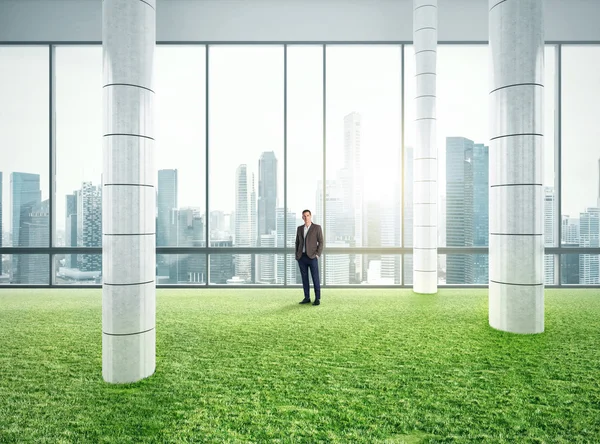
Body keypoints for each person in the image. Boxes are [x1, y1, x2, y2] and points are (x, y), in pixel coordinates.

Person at [295, 209, 324, 306]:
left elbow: (321, 242)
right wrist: (297, 255)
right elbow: (297, 242)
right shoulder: (299, 228)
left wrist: (317, 254)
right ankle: (307, 297)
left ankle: (317, 298)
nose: (306, 217)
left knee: (315, 278)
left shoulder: (317, 228)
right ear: (302, 217)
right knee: (304, 278)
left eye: (308, 215)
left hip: (312, 257)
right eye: (304, 216)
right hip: (302, 257)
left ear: (310, 216)